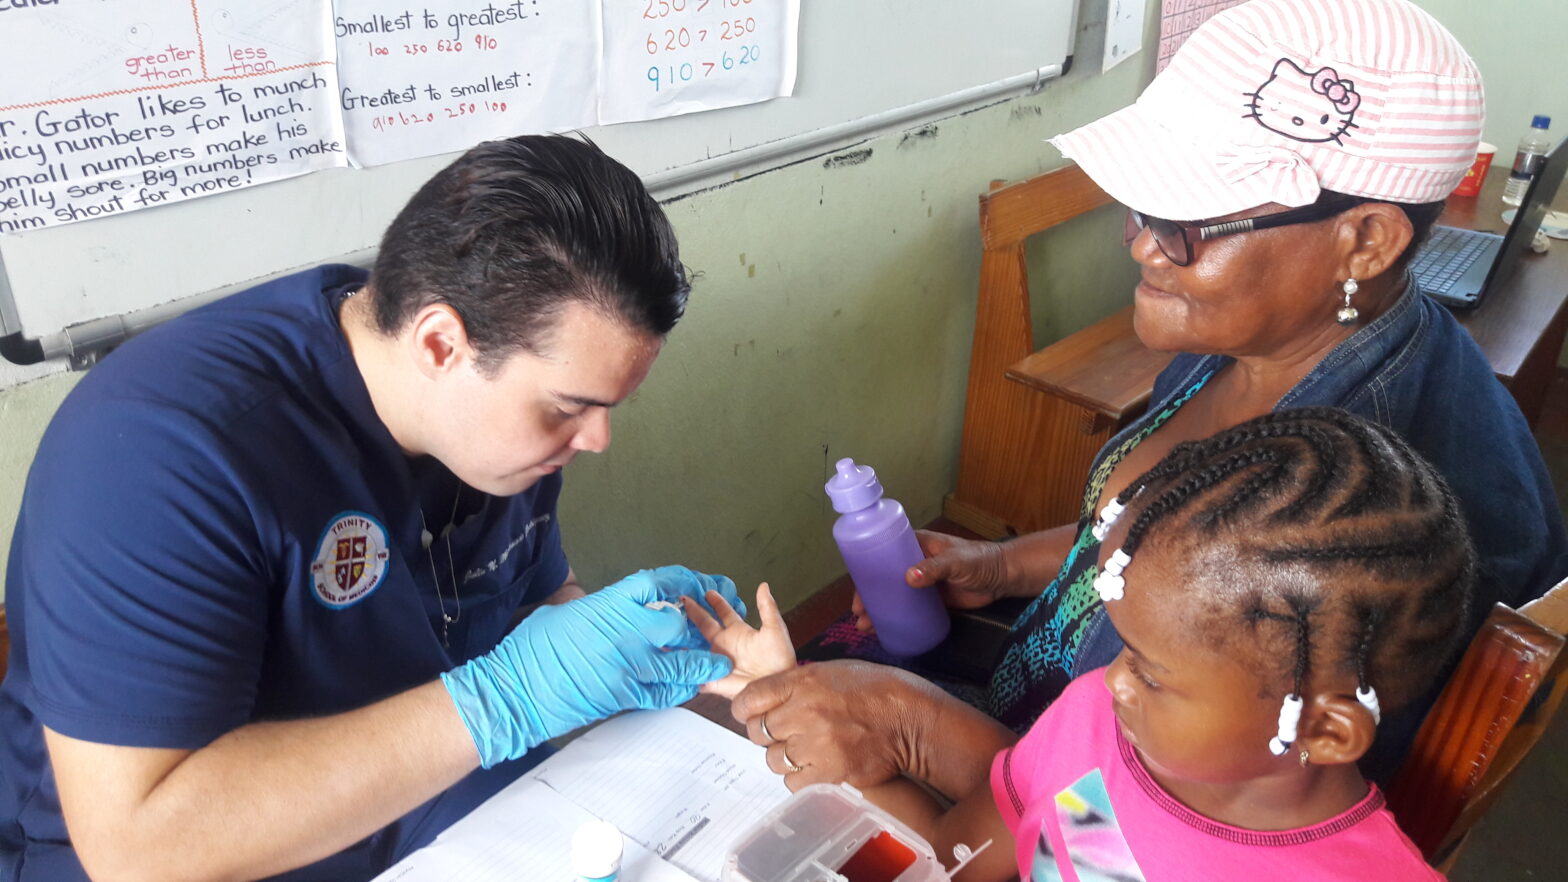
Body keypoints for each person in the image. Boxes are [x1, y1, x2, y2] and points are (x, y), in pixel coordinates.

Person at [736, 0, 1567, 794]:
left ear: (1366, 240)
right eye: (1138, 207)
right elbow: (1146, 534)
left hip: (1083, 814)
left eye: (1187, 224)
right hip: (1048, 707)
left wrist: (915, 730)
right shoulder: (1258, 339)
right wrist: (1003, 564)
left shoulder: (1352, 532)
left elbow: (1120, 833)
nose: (1142, 248)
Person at [0, 135, 743, 881]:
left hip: (425, 795)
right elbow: (141, 850)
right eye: (568, 409)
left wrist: (627, 652)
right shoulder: (163, 453)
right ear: (441, 344)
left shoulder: (504, 425)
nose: (596, 439)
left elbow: (527, 601)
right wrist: (510, 696)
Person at [701, 409, 1468, 881]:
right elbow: (955, 859)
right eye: (1125, 648)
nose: (1114, 680)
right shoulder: (1095, 726)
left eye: (1153, 674)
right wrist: (847, 755)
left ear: (1323, 727)